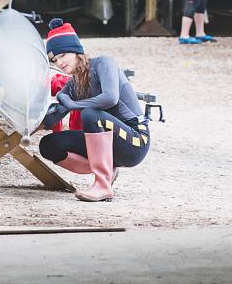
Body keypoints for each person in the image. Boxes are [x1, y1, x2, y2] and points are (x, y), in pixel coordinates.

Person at [37, 19, 151, 202]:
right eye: (54, 60)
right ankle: (108, 169)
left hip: (135, 141)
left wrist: (72, 104)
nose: (59, 63)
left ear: (76, 50)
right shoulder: (74, 82)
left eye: (63, 55)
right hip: (108, 142)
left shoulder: (103, 63)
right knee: (49, 145)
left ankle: (103, 184)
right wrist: (26, 122)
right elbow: (54, 115)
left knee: (91, 115)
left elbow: (110, 98)